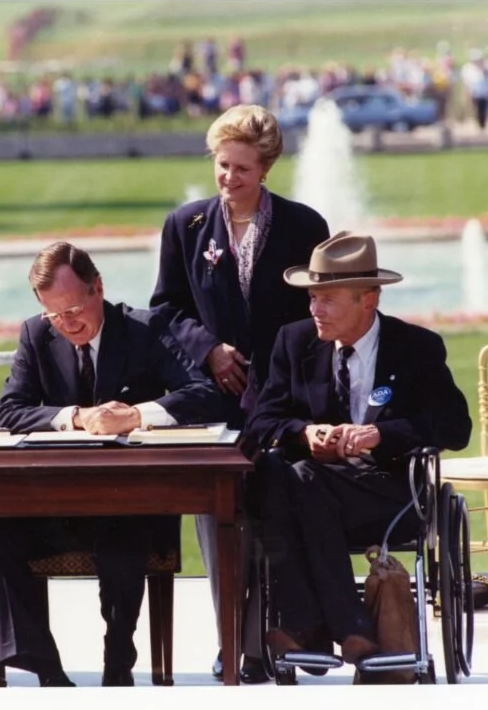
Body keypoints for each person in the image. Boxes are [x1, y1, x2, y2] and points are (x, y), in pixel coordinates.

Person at [0, 241, 221, 687]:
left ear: (98, 288)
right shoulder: (36, 334)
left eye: (73, 310)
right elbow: (6, 411)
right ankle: (44, 669)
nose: (67, 325)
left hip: (134, 506)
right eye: (55, 315)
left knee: (121, 535)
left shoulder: (145, 329)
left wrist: (138, 413)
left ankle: (118, 660)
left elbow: (203, 394)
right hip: (58, 505)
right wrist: (74, 417)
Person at [149, 103, 330, 681]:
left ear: (266, 169)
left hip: (285, 401)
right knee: (218, 519)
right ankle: (238, 643)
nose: (229, 179)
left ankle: (281, 639)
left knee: (275, 513)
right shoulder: (186, 225)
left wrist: (277, 369)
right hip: (213, 401)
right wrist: (209, 349)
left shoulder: (305, 227)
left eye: (242, 169)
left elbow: (317, 313)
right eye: (222, 166)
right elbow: (165, 308)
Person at [240, 231, 472, 669]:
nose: (314, 310)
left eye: (328, 299)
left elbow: (455, 428)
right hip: (312, 491)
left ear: (369, 299)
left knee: (296, 482)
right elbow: (261, 423)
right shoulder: (294, 342)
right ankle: (349, 630)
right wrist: (306, 433)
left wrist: (381, 435)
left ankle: (308, 626)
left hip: (386, 491)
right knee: (273, 473)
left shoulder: (416, 348)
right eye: (312, 297)